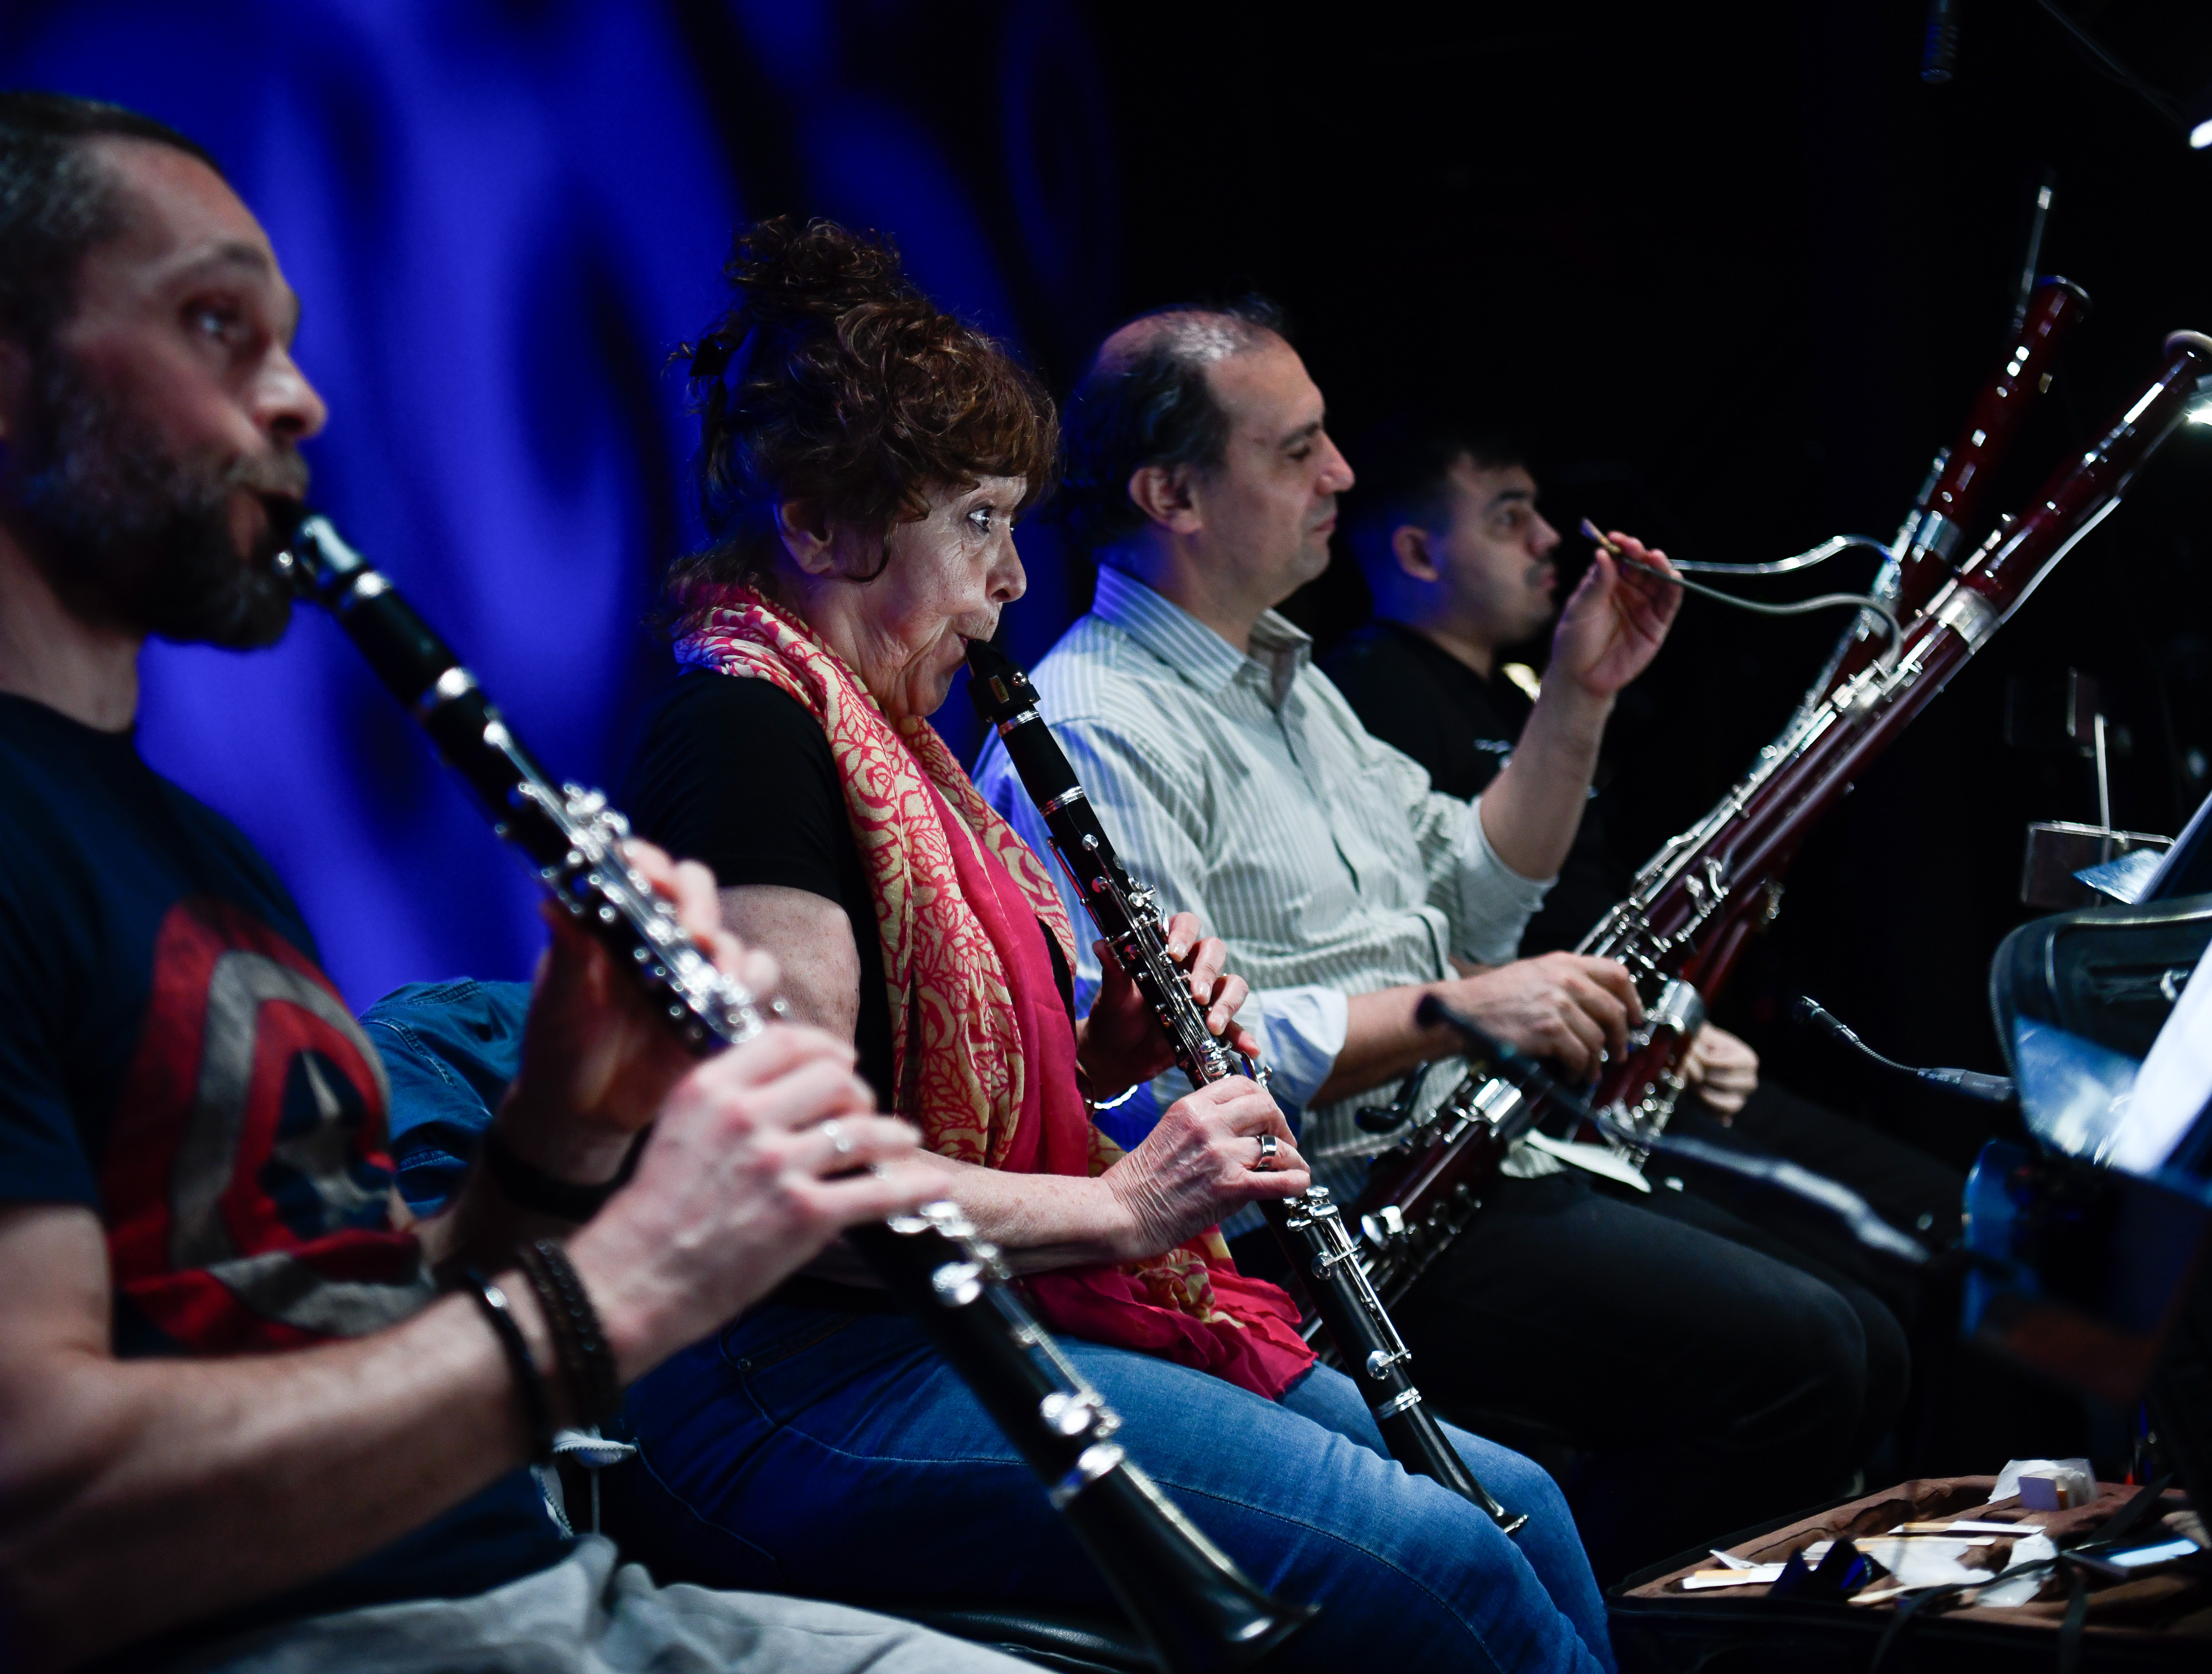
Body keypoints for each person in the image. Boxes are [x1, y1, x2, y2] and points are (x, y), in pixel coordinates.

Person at [0, 92, 1033, 1674]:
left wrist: (561, 1134)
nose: (302, 401)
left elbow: (351, 1345)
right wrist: (628, 1278)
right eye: (218, 327)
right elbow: (35, 1537)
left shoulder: (195, 846)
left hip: (523, 1599)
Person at [377, 219, 1615, 1672]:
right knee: (1446, 1562)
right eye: (974, 523)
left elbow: (913, 1087)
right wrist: (1123, 1206)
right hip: (788, 1378)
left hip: (928, 1323)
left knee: (1517, 1505)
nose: (1011, 582)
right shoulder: (746, 742)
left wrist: (1108, 1059)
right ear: (825, 529)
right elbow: (799, 1188)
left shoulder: (895, 745)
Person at [975, 300, 1906, 1580]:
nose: (1342, 476)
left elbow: (1471, 896)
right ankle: (1554, 1632)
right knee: (1811, 1364)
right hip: (1331, 1224)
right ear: (1170, 494)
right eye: (1298, 451)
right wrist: (1469, 1013)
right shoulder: (1098, 716)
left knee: (1870, 1331)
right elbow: (1173, 1076)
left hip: (1457, 1167)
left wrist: (1578, 695)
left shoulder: (1291, 690)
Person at [1320, 411, 1965, 1274]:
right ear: (1418, 555)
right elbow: (1419, 938)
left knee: (1932, 1225)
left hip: (1626, 1051)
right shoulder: (1366, 695)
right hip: (1551, 1080)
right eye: (1510, 518)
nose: (1551, 539)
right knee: (1862, 1282)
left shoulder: (1515, 695)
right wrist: (1639, 1029)